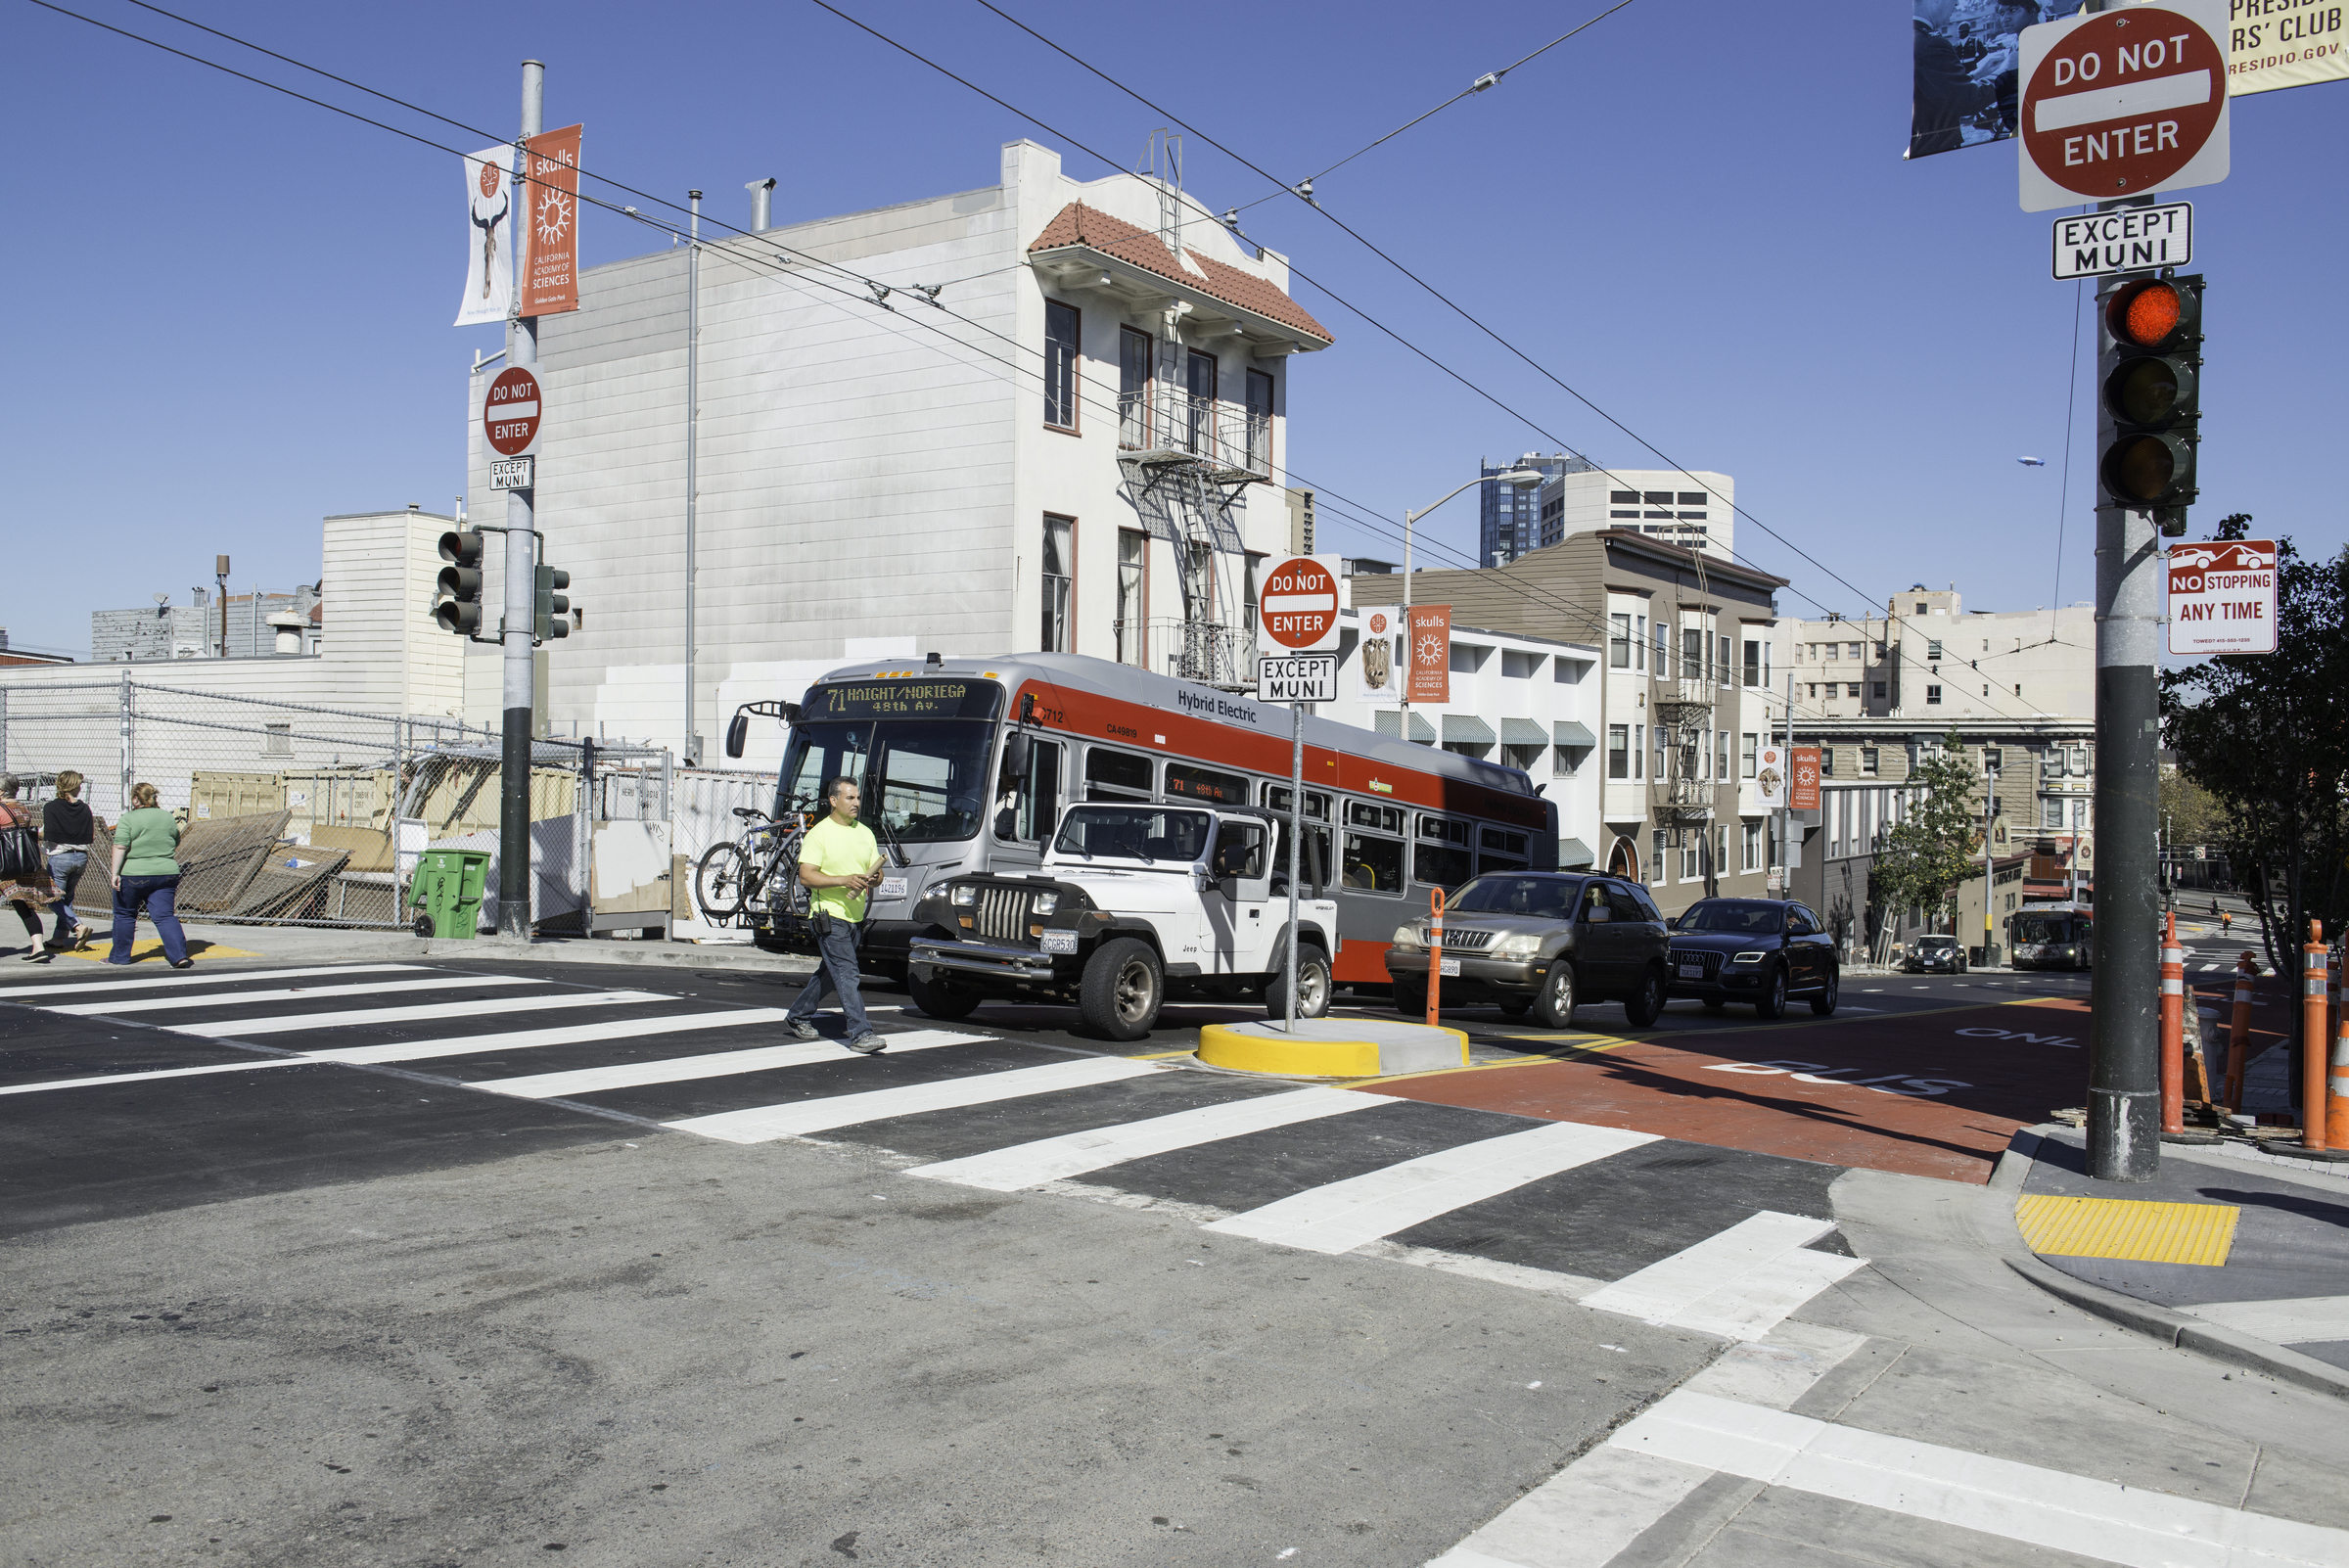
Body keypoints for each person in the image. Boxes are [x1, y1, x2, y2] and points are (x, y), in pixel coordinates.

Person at [785, 776, 886, 1053]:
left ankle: (797, 1015)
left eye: (857, 798)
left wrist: (875, 877)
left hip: (855, 916)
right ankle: (860, 1033)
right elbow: (806, 876)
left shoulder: (864, 832)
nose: (856, 803)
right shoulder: (820, 833)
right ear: (833, 801)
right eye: (849, 798)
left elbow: (877, 876)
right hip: (827, 916)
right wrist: (844, 880)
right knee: (848, 973)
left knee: (831, 973)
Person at [108, 781, 193, 968]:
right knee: (164, 916)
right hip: (166, 872)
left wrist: (115, 873)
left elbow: (120, 846)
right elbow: (175, 840)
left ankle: (119, 957)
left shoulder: (128, 818)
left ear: (136, 799)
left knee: (125, 915)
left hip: (134, 874)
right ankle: (179, 956)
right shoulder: (167, 817)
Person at [0, 774, 57, 961]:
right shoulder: (23, 809)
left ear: (1, 791)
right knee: (24, 905)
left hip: (3, 865)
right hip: (21, 863)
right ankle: (39, 947)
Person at [42, 769, 95, 952]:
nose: (81, 788)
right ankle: (58, 938)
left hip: (60, 857)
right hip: (81, 857)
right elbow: (89, 834)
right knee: (67, 898)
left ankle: (77, 926)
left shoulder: (51, 807)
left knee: (51, 897)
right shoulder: (84, 808)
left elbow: (48, 834)